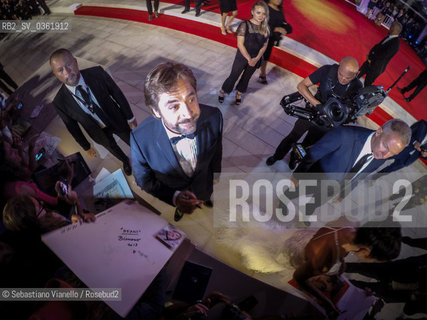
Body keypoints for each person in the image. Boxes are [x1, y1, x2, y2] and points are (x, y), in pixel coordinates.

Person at [131, 62, 223, 220]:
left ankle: (205, 199)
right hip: (175, 190)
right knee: (182, 205)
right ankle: (180, 209)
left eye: (191, 99)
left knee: (204, 196)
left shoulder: (214, 117)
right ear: (156, 111)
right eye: (174, 107)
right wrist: (175, 198)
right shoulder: (141, 139)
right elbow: (144, 180)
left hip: (204, 184)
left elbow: (216, 151)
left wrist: (215, 175)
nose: (188, 114)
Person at [49, 49, 137, 176]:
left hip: (115, 118)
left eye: (68, 65)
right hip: (97, 131)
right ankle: (125, 161)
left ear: (76, 62)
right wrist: (86, 146)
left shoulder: (97, 73)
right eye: (60, 70)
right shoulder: (60, 102)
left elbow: (116, 93)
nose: (67, 72)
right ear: (55, 74)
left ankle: (143, 157)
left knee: (132, 141)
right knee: (112, 148)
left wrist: (130, 116)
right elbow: (72, 127)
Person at [266, 57, 362, 166]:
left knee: (308, 144)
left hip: (326, 121)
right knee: (293, 135)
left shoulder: (357, 86)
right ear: (339, 66)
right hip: (311, 111)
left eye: (348, 78)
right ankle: (277, 156)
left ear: (356, 74)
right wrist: (318, 104)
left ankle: (294, 157)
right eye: (340, 74)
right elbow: (301, 86)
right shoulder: (327, 70)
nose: (343, 79)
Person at [292, 221, 401, 318]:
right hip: (294, 257)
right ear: (366, 251)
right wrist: (328, 303)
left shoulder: (350, 228)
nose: (372, 262)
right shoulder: (324, 261)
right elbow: (299, 278)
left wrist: (341, 263)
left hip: (300, 240)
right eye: (375, 260)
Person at [218, 1, 269, 105]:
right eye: (258, 12)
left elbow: (264, 46)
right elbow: (240, 44)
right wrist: (249, 59)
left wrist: (256, 59)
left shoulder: (266, 28)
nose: (261, 16)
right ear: (252, 12)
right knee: (234, 76)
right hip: (242, 57)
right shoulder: (244, 25)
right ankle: (223, 91)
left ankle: (239, 94)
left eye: (263, 13)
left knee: (246, 78)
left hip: (256, 59)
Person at [258, 0, 292, 85]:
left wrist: (286, 28)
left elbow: (282, 22)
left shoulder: (280, 10)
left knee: (266, 56)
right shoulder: (264, 7)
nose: (279, 0)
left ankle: (262, 73)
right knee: (254, 55)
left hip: (271, 38)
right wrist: (275, 29)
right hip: (260, 37)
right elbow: (259, 22)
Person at [358, 21, 402, 86]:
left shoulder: (396, 44)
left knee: (367, 85)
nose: (389, 28)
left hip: (376, 67)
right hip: (370, 61)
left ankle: (362, 95)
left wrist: (371, 58)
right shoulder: (389, 37)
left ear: (394, 29)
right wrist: (370, 55)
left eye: (391, 26)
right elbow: (377, 46)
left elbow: (384, 55)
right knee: (357, 74)